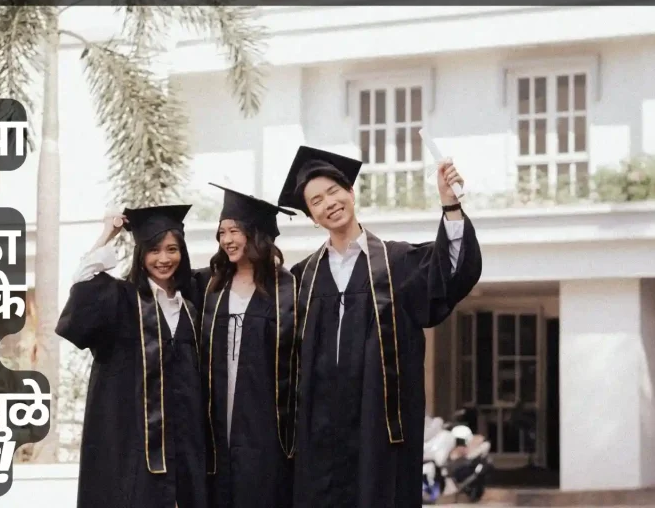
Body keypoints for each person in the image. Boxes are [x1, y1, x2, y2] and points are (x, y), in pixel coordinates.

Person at [276, 146, 483, 508]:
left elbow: (449, 275)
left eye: (334, 191)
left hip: (380, 428)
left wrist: (450, 207)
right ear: (312, 216)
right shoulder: (301, 278)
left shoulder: (397, 263)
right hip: (319, 432)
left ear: (351, 193)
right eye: (317, 200)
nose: (329, 203)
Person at [55, 205, 206, 508]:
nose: (163, 259)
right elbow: (82, 286)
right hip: (131, 444)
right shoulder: (120, 300)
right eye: (153, 250)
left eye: (172, 249)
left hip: (186, 446)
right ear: (141, 255)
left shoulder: (193, 305)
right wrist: (107, 233)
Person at [191, 183, 298, 508]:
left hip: (267, 429)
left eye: (234, 230)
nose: (226, 240)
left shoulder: (288, 288)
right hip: (216, 424)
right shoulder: (210, 285)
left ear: (257, 233)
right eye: (222, 232)